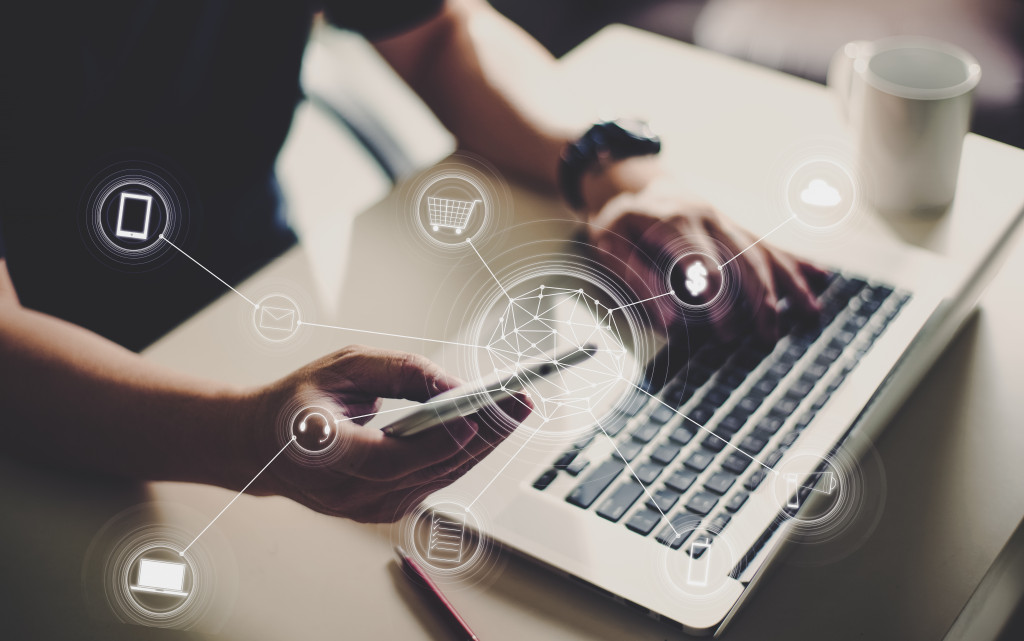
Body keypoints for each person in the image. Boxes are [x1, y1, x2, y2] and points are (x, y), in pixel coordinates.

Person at [0, 0, 823, 523]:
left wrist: (617, 171)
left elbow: (435, 31)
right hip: (62, 436)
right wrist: (245, 435)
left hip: (255, 307)